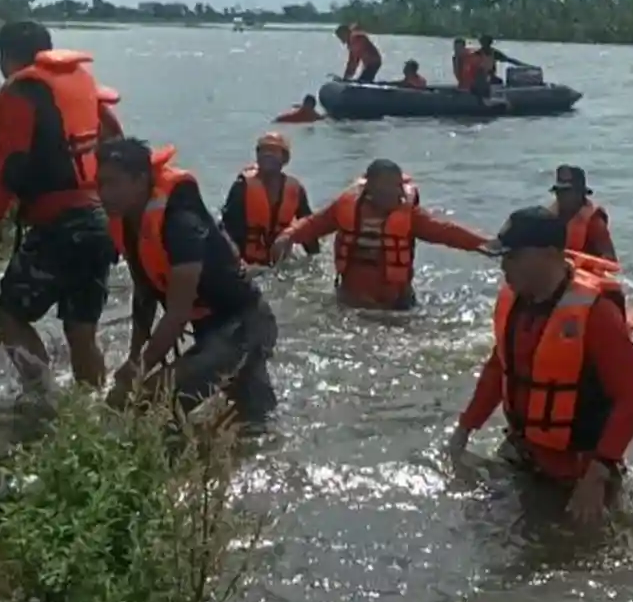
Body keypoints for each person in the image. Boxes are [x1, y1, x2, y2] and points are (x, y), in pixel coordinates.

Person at [447, 206, 633, 524]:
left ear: (550, 255)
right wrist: (464, 429)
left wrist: (596, 476)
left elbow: (631, 399)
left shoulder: (596, 314)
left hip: (579, 468)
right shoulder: (513, 300)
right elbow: (499, 367)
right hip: (521, 452)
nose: (503, 267)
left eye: (512, 257)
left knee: (584, 555)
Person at [0, 20, 116, 390]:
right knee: (81, 332)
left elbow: (8, 169)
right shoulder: (81, 81)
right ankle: (95, 408)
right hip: (98, 222)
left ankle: (43, 399)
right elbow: (115, 140)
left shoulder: (20, 91)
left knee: (9, 315)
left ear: (6, 56)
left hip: (59, 225)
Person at [97, 138, 278, 421]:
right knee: (249, 417)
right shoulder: (130, 222)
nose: (105, 194)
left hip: (244, 323)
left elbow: (177, 314)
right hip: (210, 325)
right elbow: (144, 295)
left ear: (141, 179)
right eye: (100, 184)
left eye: (114, 183)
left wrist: (140, 369)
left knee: (149, 400)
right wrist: (134, 358)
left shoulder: (180, 223)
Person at [270, 158, 488, 310]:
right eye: (386, 187)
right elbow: (313, 224)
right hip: (351, 300)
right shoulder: (346, 208)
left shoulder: (409, 215)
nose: (394, 193)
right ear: (370, 189)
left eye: (396, 187)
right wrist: (288, 236)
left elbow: (447, 231)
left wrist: (484, 243)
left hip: (396, 304)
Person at [220, 131, 318, 267]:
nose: (267, 155)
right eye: (263, 150)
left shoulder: (296, 189)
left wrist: (314, 261)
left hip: (279, 265)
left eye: (273, 151)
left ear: (285, 158)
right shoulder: (242, 186)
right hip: (247, 262)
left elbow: (308, 231)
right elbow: (228, 229)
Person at [550, 165, 617, 261]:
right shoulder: (548, 217)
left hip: (584, 270)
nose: (561, 195)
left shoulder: (594, 221)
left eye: (567, 191)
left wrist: (585, 263)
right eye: (559, 191)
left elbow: (610, 259)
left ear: (580, 193)